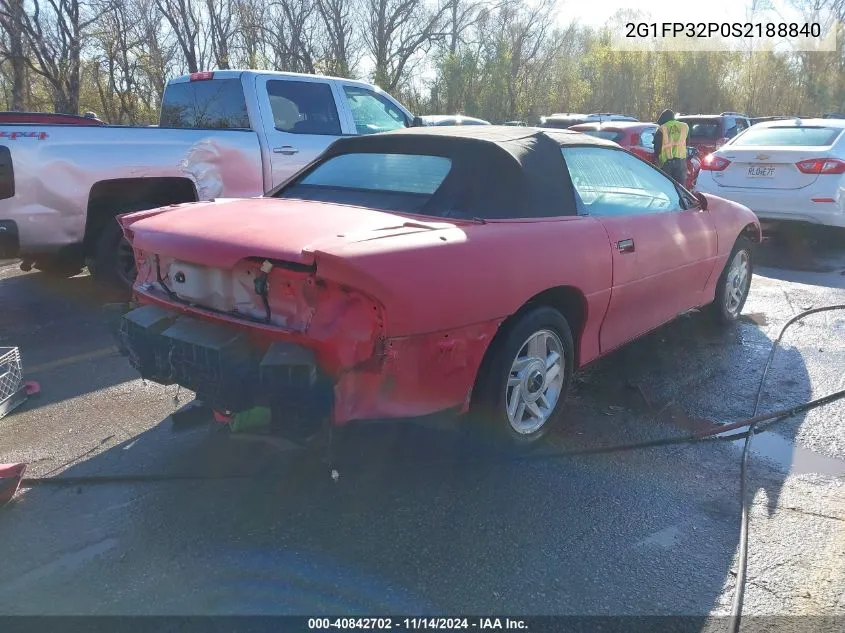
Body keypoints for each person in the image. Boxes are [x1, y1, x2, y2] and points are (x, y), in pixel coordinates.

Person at [653, 109, 689, 184]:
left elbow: (657, 148)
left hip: (666, 164)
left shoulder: (662, 128)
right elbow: (687, 143)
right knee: (680, 188)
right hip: (681, 163)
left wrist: (656, 159)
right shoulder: (684, 127)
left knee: (667, 187)